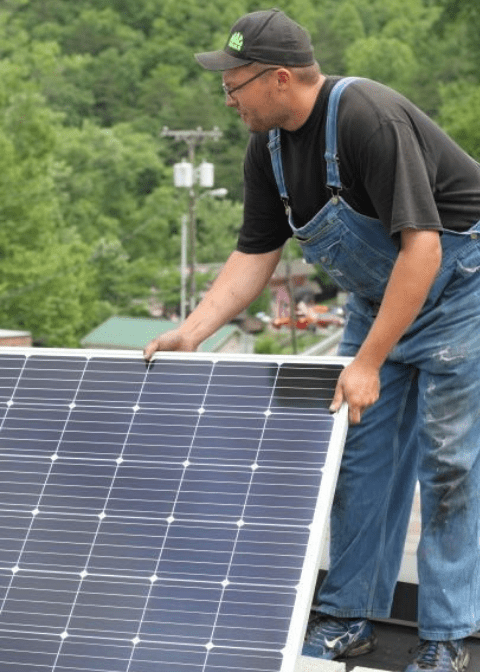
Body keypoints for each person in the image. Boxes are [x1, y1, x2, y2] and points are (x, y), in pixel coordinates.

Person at [144, 8, 480, 671]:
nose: (226, 96)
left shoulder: (365, 118)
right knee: (358, 459)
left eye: (233, 83)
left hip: (456, 290)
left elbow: (422, 249)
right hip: (379, 296)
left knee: (450, 466)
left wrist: (369, 360)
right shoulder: (266, 146)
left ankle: (447, 637)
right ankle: (347, 617)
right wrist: (192, 331)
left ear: (277, 79)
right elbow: (253, 255)